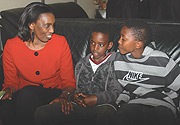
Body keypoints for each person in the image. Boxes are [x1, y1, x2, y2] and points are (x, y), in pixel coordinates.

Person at [0, 2, 76, 125]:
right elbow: (11, 82)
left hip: (53, 92)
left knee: (27, 94)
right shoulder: (12, 45)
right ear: (31, 25)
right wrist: (8, 90)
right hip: (23, 96)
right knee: (6, 107)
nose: (52, 30)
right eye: (47, 26)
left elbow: (69, 81)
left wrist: (65, 95)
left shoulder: (60, 42)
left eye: (53, 25)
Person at [34, 23, 123, 125]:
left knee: (106, 114)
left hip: (103, 105)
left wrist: (96, 98)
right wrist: (72, 97)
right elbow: (73, 87)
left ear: (110, 45)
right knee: (43, 112)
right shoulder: (82, 63)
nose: (95, 48)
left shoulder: (116, 62)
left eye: (101, 45)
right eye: (92, 43)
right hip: (78, 104)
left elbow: (116, 91)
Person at [112, 20, 180, 125]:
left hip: (162, 104)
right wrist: (121, 102)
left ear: (138, 44)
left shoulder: (162, 61)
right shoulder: (118, 59)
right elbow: (123, 87)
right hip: (133, 104)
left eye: (123, 39)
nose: (119, 41)